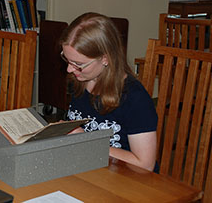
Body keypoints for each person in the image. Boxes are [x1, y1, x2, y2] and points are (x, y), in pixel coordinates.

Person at [60, 12, 158, 172]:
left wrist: (87, 141)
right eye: (67, 59)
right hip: (90, 170)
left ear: (105, 59)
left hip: (126, 179)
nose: (69, 69)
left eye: (78, 63)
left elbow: (145, 165)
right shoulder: (81, 80)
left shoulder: (134, 98)